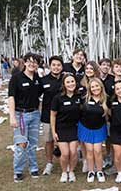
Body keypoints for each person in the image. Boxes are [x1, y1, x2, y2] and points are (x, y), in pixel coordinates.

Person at [8, 53, 43, 182]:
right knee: (21, 143)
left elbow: (41, 94)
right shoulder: (16, 78)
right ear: (25, 62)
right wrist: (12, 117)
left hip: (34, 114)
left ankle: (33, 168)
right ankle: (18, 171)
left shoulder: (38, 79)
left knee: (33, 144)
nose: (32, 64)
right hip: (20, 115)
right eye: (30, 61)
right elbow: (11, 97)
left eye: (35, 62)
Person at [50, 73, 81, 183]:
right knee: (65, 153)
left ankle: (71, 171)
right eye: (67, 82)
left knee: (73, 152)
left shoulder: (79, 97)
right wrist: (53, 132)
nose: (70, 84)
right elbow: (53, 115)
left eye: (72, 81)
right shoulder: (58, 98)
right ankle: (64, 172)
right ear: (63, 84)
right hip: (61, 129)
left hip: (74, 128)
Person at [78, 78, 108, 183]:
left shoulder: (105, 99)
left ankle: (99, 171)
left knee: (98, 150)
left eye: (97, 86)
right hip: (86, 128)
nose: (95, 88)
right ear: (90, 89)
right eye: (93, 87)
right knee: (89, 151)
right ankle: (91, 171)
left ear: (101, 87)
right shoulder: (84, 98)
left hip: (99, 128)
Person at [40, 56, 64, 175]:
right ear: (50, 66)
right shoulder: (43, 80)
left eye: (58, 65)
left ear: (62, 66)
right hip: (47, 116)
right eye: (54, 65)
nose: (56, 67)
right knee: (49, 140)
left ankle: (66, 162)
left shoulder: (65, 79)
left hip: (64, 116)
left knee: (64, 140)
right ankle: (49, 163)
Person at [79, 61, 101, 172]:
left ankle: (97, 163)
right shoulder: (81, 83)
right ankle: (85, 161)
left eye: (91, 69)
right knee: (83, 141)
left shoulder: (99, 82)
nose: (88, 70)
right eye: (86, 68)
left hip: (97, 116)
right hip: (83, 115)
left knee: (96, 144)